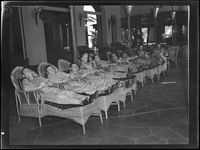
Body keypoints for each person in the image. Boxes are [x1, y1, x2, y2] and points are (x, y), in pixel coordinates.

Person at [21, 68, 89, 105]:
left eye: (29, 70)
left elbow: (51, 82)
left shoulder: (39, 78)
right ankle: (79, 102)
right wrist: (39, 86)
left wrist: (47, 82)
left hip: (51, 89)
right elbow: (26, 89)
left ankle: (86, 98)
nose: (29, 72)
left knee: (67, 92)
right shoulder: (25, 81)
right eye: (26, 71)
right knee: (60, 97)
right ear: (23, 75)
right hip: (41, 94)